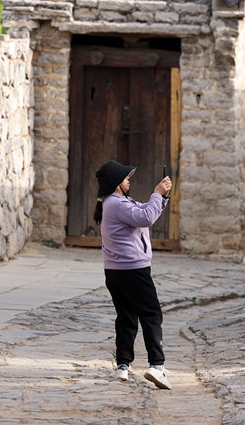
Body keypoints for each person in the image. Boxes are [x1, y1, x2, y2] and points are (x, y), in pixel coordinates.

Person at [93, 159, 173, 389]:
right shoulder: (117, 204)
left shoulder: (116, 202)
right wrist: (157, 193)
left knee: (127, 317)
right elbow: (146, 218)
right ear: (117, 183)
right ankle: (157, 366)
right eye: (126, 178)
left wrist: (162, 197)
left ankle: (123, 365)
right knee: (151, 314)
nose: (129, 181)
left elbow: (144, 210)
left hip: (116, 271)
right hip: (133, 270)